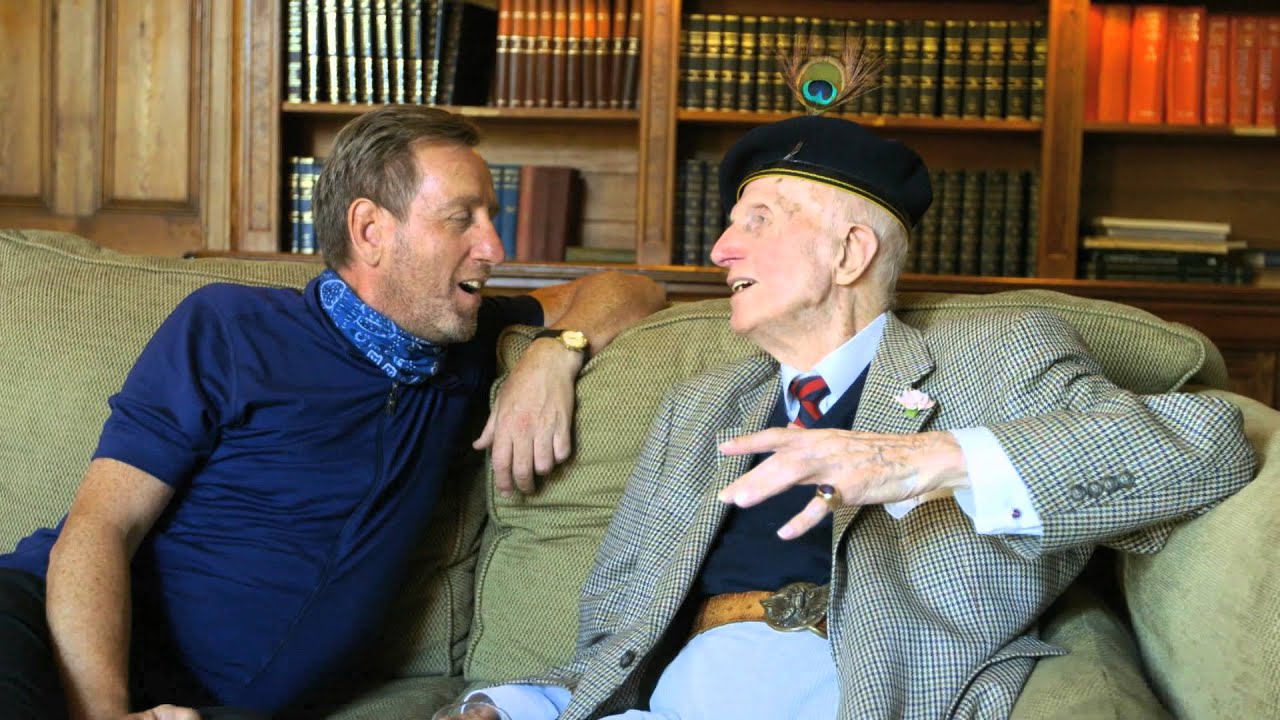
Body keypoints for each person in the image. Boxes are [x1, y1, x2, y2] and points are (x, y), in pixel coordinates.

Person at [462, 113, 1258, 719]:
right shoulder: (699, 407)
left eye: (756, 221)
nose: (720, 251)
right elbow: (614, 639)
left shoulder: (999, 352)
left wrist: (919, 461)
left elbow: (1206, 451)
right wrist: (516, 704)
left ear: (849, 253)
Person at [0, 105, 665, 719]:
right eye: (461, 218)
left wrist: (555, 352)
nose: (494, 248)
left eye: (490, 216)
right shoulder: (231, 327)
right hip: (47, 637)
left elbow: (629, 288)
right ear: (371, 230)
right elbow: (100, 526)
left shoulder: (462, 341)